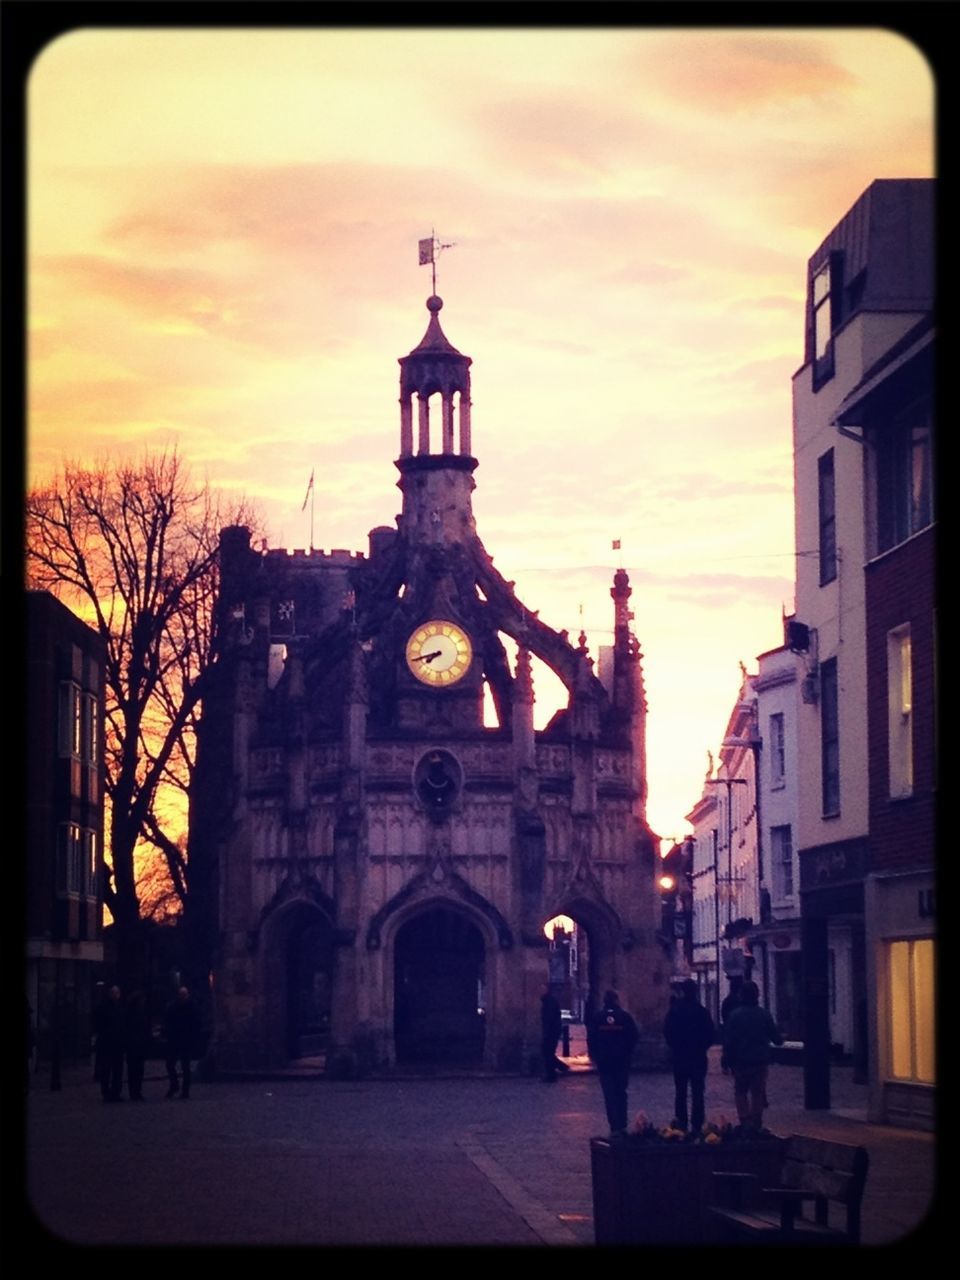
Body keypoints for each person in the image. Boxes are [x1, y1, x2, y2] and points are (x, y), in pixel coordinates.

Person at [721, 979, 783, 1132]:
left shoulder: (735, 1016)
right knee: (757, 1092)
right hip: (760, 1061)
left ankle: (744, 1119)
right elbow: (777, 1039)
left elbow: (729, 1040)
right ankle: (756, 1120)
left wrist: (726, 1059)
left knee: (740, 1091)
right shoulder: (764, 1015)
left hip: (741, 1062)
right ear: (757, 995)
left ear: (742, 995)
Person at [663, 979, 715, 1133]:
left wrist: (675, 1047)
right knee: (698, 1091)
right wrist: (702, 1047)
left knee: (681, 1091)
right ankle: (697, 1123)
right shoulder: (702, 1012)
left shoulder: (675, 1011)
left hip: (680, 1056)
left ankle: (681, 1121)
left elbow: (668, 1032)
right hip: (698, 1057)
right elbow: (710, 1034)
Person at [587, 989, 639, 1137]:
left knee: (609, 1095)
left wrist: (596, 1056)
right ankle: (622, 1123)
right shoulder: (625, 1017)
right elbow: (633, 1036)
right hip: (622, 1062)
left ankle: (614, 1124)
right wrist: (627, 1053)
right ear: (616, 1000)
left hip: (605, 1063)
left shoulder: (598, 1018)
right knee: (621, 1092)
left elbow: (591, 1039)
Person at [163, 986, 201, 1100]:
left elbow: (196, 1024)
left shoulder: (190, 1007)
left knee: (185, 1066)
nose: (183, 997)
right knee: (171, 1064)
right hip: (176, 1040)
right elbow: (168, 1022)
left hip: (184, 1040)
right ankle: (176, 1085)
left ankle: (184, 1090)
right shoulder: (174, 1007)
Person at [93, 984, 126, 1102]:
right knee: (106, 1070)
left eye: (117, 993)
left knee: (117, 1070)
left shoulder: (121, 1008)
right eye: (113, 993)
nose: (115, 995)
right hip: (107, 1043)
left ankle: (116, 1092)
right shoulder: (103, 1008)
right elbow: (99, 1024)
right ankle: (106, 1092)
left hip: (118, 1044)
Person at [539, 986, 570, 1082]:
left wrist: (547, 1032)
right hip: (552, 1031)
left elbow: (549, 1018)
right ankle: (560, 1068)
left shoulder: (549, 1002)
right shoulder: (547, 1001)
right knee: (548, 1052)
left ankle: (553, 1073)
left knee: (547, 1052)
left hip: (551, 1032)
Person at [124, 990, 151, 1101]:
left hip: (134, 1045)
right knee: (137, 1070)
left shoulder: (130, 1013)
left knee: (134, 1070)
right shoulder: (139, 1014)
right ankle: (136, 1091)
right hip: (137, 1045)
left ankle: (134, 1091)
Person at [719, 977, 743, 1074]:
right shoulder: (740, 1001)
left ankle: (726, 1065)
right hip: (737, 1028)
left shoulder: (727, 1000)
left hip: (728, 1027)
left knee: (728, 1047)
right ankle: (734, 1065)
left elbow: (723, 1013)